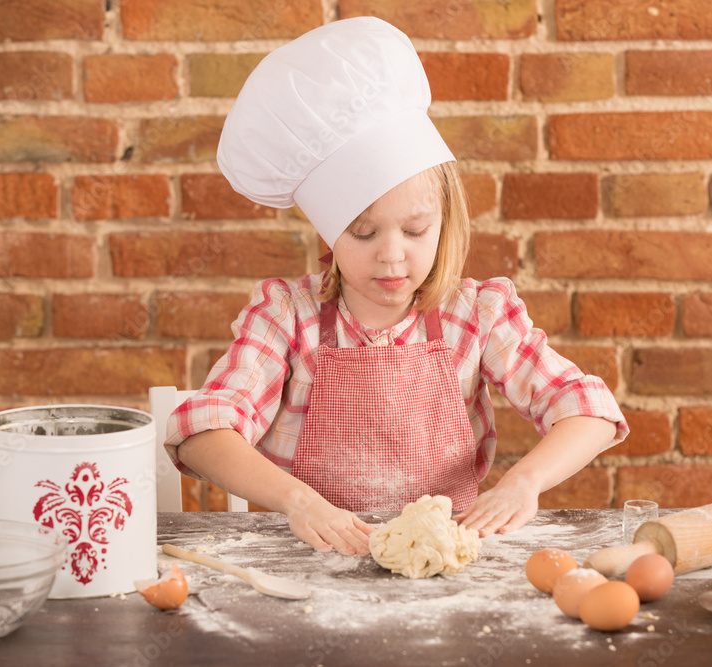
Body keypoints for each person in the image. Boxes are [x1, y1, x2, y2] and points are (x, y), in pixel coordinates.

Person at [164, 17, 628, 556]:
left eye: (414, 230)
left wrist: (523, 482)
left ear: (444, 221)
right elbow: (202, 432)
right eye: (362, 233)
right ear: (329, 234)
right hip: (317, 559)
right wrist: (298, 502)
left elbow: (587, 410)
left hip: (446, 559)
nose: (391, 254)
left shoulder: (478, 314)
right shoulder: (287, 316)